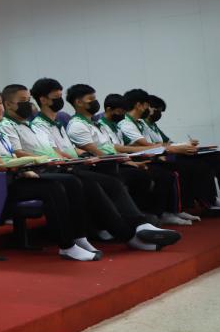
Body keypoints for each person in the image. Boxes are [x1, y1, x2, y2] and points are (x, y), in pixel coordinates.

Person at [13, 80, 179, 251]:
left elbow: (71, 149)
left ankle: (140, 225)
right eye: (56, 97)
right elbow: (53, 152)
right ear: (43, 100)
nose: (60, 100)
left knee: (115, 182)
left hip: (73, 166)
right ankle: (130, 233)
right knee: (100, 183)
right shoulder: (39, 125)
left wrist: (82, 155)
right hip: (58, 169)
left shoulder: (58, 123)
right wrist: (78, 158)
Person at [0, 88, 98, 261]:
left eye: (0, 103)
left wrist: (26, 167)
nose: (0, 108)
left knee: (71, 181)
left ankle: (79, 237)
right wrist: (16, 164)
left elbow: (10, 157)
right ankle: (67, 246)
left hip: (12, 178)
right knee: (52, 188)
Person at [65, 84, 193, 226]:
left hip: (114, 162)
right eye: (91, 99)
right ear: (78, 102)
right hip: (101, 166)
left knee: (150, 174)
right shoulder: (77, 124)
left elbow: (113, 148)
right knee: (143, 176)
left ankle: (144, 214)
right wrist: (127, 161)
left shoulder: (95, 124)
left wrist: (129, 160)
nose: (95, 102)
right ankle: (134, 220)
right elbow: (96, 152)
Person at [117, 89, 220, 215]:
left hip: (164, 153)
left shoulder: (142, 124)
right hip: (153, 157)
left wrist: (184, 145)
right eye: (151, 107)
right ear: (139, 105)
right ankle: (206, 202)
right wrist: (178, 147)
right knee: (195, 165)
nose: (155, 112)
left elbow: (166, 143)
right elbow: (150, 146)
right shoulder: (126, 123)